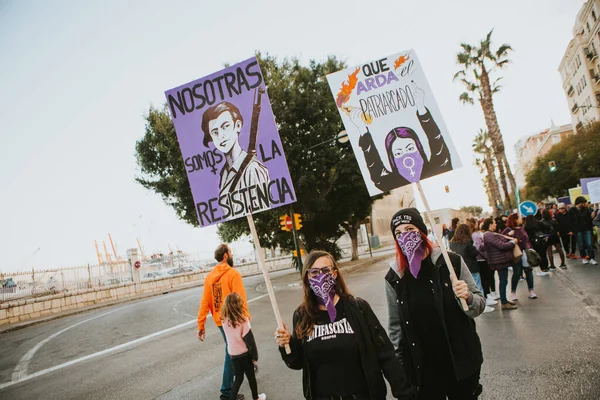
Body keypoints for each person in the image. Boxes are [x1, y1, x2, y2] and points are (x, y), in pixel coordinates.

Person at [275, 250, 416, 400]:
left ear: (335, 274)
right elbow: (297, 363)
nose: (321, 276)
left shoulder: (358, 308)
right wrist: (287, 344)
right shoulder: (302, 315)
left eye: (326, 270)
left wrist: (404, 392)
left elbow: (386, 354)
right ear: (307, 277)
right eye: (314, 272)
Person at [385, 208, 485, 399]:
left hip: (461, 363)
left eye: (409, 229)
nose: (404, 236)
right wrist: (401, 373)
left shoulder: (451, 263)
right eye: (398, 233)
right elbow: (396, 329)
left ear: (421, 231)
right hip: (424, 370)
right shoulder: (394, 277)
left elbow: (478, 304)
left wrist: (468, 297)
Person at [345, 81, 453, 192]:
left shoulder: (436, 167)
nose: (406, 156)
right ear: (391, 158)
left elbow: (437, 144)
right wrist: (362, 129)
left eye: (410, 148)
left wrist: (421, 108)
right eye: (398, 153)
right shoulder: (390, 181)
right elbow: (376, 169)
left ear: (419, 147)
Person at [197, 244, 250, 400]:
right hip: (235, 319)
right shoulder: (233, 274)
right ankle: (226, 390)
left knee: (236, 347)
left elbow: (204, 302)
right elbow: (240, 299)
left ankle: (248, 370)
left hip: (220, 321)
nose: (232, 255)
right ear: (226, 255)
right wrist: (246, 319)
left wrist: (201, 325)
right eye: (231, 253)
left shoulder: (209, 278)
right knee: (233, 350)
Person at [201, 101, 270, 199]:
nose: (221, 136)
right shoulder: (224, 173)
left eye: (225, 126)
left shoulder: (252, 169)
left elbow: (264, 206)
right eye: (215, 132)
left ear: (237, 126)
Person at [221, 293, 266, 400]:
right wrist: (254, 356)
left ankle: (232, 398)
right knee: (251, 377)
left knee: (238, 378)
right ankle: (256, 397)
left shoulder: (224, 320)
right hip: (244, 354)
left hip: (233, 354)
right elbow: (250, 341)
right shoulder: (242, 320)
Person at [450, 224, 494, 313]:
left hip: (461, 267)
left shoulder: (452, 243)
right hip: (472, 266)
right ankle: (482, 306)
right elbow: (475, 253)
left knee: (466, 288)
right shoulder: (467, 241)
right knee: (477, 287)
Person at [482, 217, 519, 310]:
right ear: (490, 224)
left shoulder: (490, 234)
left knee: (504, 280)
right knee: (503, 281)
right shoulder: (488, 235)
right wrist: (513, 243)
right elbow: (501, 246)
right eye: (494, 223)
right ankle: (504, 302)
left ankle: (504, 300)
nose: (496, 224)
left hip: (500, 260)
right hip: (499, 261)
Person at [502, 214, 537, 300]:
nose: (521, 219)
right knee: (517, 273)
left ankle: (531, 291)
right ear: (515, 220)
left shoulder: (521, 228)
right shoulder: (508, 229)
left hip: (525, 252)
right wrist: (509, 234)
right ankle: (513, 292)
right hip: (515, 254)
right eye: (519, 218)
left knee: (528, 271)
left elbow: (526, 240)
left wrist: (530, 248)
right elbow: (502, 239)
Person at [468, 218, 498, 307]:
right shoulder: (476, 235)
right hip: (482, 259)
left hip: (480, 259)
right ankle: (487, 296)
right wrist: (487, 256)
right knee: (485, 278)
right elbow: (479, 248)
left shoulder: (473, 235)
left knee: (484, 278)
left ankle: (488, 295)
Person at [569, 196, 598, 265]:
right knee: (581, 245)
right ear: (578, 203)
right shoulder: (572, 210)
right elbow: (570, 221)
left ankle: (591, 258)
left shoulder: (585, 209)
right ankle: (584, 257)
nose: (583, 204)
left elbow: (591, 217)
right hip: (578, 230)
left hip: (587, 229)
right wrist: (571, 230)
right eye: (582, 203)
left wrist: (594, 210)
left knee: (589, 244)